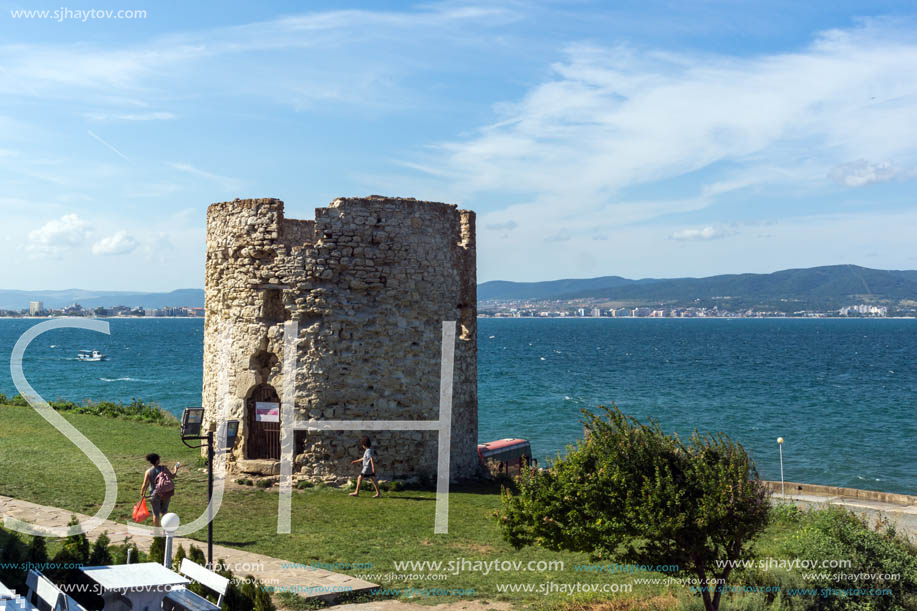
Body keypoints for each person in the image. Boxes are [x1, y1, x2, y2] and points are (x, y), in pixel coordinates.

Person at [140, 453, 180, 527]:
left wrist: (142, 493)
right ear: (157, 460)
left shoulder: (148, 471)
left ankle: (157, 533)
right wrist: (176, 469)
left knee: (156, 514)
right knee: (164, 512)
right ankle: (165, 530)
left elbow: (144, 484)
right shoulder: (164, 469)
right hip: (165, 493)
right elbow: (173, 476)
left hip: (154, 495)